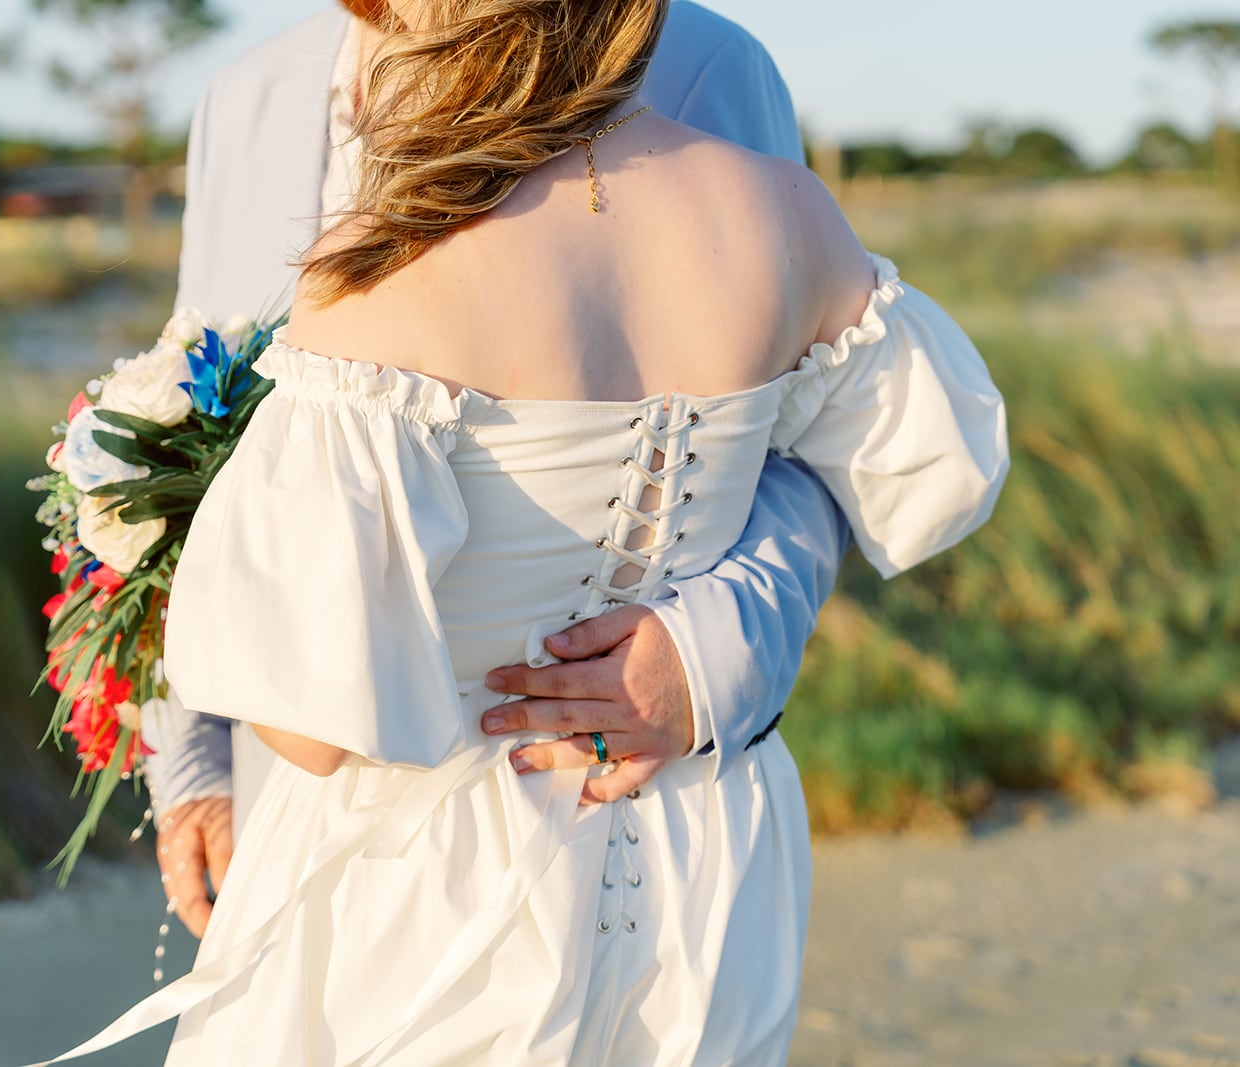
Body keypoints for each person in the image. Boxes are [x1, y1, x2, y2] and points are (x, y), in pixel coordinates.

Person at [145, 0, 850, 944]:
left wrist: (713, 653)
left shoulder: (707, 62)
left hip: (615, 800)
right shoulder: (243, 94)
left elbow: (807, 438)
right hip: (301, 800)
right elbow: (182, 425)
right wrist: (187, 758)